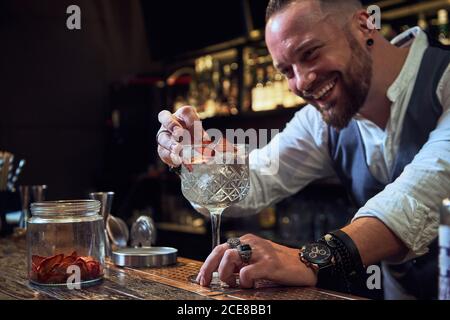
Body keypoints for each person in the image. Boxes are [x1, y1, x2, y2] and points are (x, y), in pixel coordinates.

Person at [156, 0, 450, 299]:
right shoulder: (322, 120)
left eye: (310, 53)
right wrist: (199, 161)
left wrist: (312, 258)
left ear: (364, 25)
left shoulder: (445, 79)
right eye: (286, 71)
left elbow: (428, 188)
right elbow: (254, 183)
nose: (302, 82)